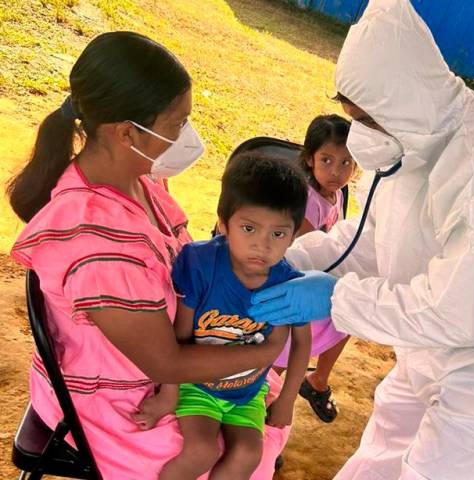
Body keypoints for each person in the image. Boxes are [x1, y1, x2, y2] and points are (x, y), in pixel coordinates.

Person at [247, 0, 474, 479]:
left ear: (403, 101)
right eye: (351, 116)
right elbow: (371, 238)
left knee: (440, 469)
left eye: (368, 119)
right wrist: (287, 260)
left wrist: (336, 298)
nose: (360, 135)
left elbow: (452, 312)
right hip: (432, 330)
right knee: (388, 437)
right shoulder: (410, 140)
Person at [8, 31, 292, 479]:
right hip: (123, 399)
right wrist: (264, 352)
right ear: (126, 133)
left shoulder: (141, 180)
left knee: (251, 419)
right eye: (178, 123)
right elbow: (164, 363)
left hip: (161, 362)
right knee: (231, 452)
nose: (187, 135)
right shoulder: (94, 241)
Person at [129, 153, 312, 479]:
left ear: (295, 234)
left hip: (248, 392)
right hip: (196, 385)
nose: (262, 245)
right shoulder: (200, 263)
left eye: (278, 234)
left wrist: (287, 400)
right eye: (248, 228)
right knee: (202, 450)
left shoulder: (290, 284)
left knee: (248, 454)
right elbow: (179, 336)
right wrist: (168, 395)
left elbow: (302, 341)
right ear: (223, 223)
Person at [273, 114, 355, 423]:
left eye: (346, 163)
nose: (336, 171)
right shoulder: (308, 199)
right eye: (327, 160)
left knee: (350, 318)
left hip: (316, 282)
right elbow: (308, 248)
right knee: (282, 356)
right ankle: (267, 403)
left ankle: (317, 380)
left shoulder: (336, 194)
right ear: (309, 159)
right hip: (295, 285)